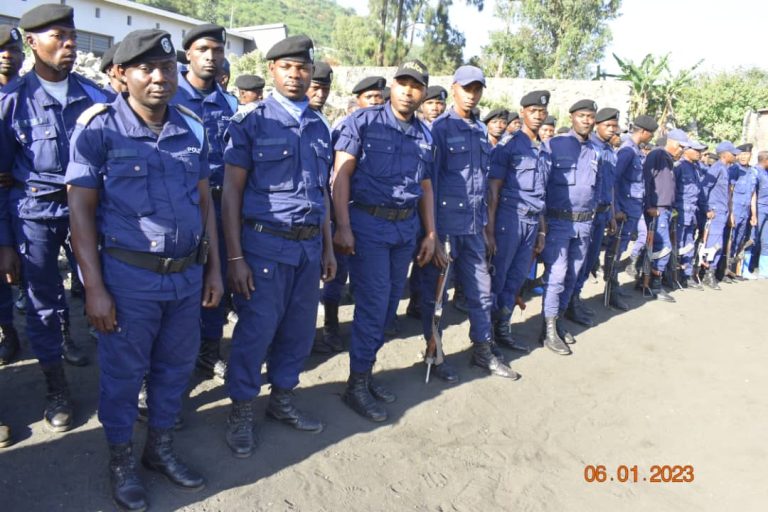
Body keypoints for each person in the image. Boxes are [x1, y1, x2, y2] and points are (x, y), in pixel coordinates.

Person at [66, 28, 222, 510]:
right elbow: (80, 213)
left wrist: (214, 269)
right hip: (129, 279)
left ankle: (159, 450)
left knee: (174, 369)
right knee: (123, 374)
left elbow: (204, 203)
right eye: (146, 69)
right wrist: (94, 288)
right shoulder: (98, 128)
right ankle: (121, 460)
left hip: (185, 277)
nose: (160, 78)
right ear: (120, 74)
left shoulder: (192, 126)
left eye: (168, 68)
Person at [0, 4, 115, 433]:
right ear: (31, 42)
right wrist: (5, 242)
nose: (68, 45)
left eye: (71, 37)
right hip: (35, 216)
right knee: (42, 305)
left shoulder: (99, 97)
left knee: (105, 295)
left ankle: (120, 382)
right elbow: (3, 180)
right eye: (57, 38)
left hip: (93, 213)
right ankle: (56, 388)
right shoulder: (10, 103)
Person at [222, 35, 336, 457]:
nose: (295, 75)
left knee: (299, 332)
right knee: (255, 332)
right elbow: (231, 194)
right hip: (264, 247)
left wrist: (326, 249)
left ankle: (283, 399)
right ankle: (241, 411)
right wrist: (235, 257)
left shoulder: (320, 126)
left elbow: (322, 194)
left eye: (302, 68)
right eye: (286, 67)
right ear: (272, 71)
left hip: (308, 250)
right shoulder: (250, 121)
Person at [332, 59, 436, 422]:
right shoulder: (362, 121)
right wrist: (342, 226)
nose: (409, 90)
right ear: (393, 86)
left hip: (404, 228)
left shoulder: (425, 135)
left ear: (423, 92)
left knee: (389, 307)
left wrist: (432, 233)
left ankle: (366, 373)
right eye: (403, 83)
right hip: (369, 225)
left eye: (416, 85)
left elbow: (425, 186)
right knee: (374, 305)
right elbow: (341, 176)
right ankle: (356, 384)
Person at [419, 66, 517, 382]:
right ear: (454, 89)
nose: (471, 94)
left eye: (477, 89)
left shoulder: (479, 130)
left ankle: (482, 350)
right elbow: (428, 184)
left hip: (473, 229)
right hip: (446, 227)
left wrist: (487, 230)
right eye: (466, 88)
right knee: (437, 298)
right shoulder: (440, 129)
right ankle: (434, 352)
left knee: (481, 293)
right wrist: (431, 233)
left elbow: (485, 185)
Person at [173, 23, 237, 382]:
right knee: (182, 286)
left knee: (219, 279)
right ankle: (176, 358)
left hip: (221, 205)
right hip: (181, 207)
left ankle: (208, 352)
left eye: (217, 51)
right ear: (189, 55)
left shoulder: (229, 102)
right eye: (203, 50)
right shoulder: (169, 97)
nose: (211, 57)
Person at [317, 76, 387, 355]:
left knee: (368, 280)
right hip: (344, 212)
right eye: (369, 97)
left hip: (371, 218)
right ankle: (331, 327)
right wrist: (339, 222)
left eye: (379, 98)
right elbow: (336, 178)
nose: (375, 103)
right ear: (357, 100)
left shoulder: (387, 130)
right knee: (337, 275)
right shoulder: (347, 127)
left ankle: (362, 330)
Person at [487, 90, 550, 352]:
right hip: (510, 220)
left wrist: (542, 232)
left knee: (516, 280)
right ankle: (486, 336)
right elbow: (493, 189)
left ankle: (503, 328)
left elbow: (543, 195)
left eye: (542, 112)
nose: (537, 115)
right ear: (522, 112)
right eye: (532, 110)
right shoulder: (509, 146)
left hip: (533, 223)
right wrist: (489, 231)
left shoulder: (545, 149)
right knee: (498, 278)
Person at [539, 100, 602, 356]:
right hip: (558, 222)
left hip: (584, 223)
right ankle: (548, 329)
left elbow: (597, 187)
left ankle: (559, 319)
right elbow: (540, 185)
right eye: (582, 116)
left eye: (590, 116)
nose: (586, 120)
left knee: (572, 275)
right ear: (572, 117)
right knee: (556, 276)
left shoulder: (596, 150)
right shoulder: (554, 145)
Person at [568, 107, 621, 323]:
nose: (611, 130)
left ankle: (575, 299)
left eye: (614, 126)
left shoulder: (609, 151)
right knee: (578, 261)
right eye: (607, 126)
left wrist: (612, 213)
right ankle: (569, 302)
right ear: (596, 125)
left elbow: (610, 186)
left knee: (590, 261)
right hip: (586, 215)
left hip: (603, 213)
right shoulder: (589, 148)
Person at [641, 129, 692, 301]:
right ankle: (654, 285)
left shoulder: (669, 159)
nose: (681, 150)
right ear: (670, 142)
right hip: (657, 209)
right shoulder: (657, 154)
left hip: (666, 209)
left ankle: (646, 280)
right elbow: (647, 180)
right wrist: (649, 205)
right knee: (663, 249)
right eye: (680, 146)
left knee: (657, 248)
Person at [0, 25, 23, 368]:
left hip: (24, 201)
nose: (5, 55)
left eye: (11, 49)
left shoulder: (30, 94)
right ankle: (9, 331)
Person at [611, 115, 657, 278]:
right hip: (625, 208)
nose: (652, 137)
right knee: (618, 247)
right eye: (651, 134)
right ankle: (612, 283)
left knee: (625, 244)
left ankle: (614, 278)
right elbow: (614, 180)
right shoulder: (627, 150)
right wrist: (616, 208)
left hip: (634, 208)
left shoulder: (636, 151)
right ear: (643, 132)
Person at [700, 141, 741, 289]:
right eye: (733, 153)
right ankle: (707, 274)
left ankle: (713, 271)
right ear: (725, 154)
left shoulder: (725, 169)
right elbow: (705, 188)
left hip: (723, 212)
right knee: (713, 245)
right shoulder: (717, 168)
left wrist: (730, 213)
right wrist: (707, 209)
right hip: (715, 212)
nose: (736, 156)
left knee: (719, 244)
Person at [674, 141, 710, 289]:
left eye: (701, 151)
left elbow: (699, 192)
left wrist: (706, 209)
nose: (699, 153)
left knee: (689, 245)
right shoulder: (679, 167)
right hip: (680, 212)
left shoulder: (695, 168)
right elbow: (672, 190)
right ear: (686, 150)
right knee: (676, 245)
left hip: (692, 213)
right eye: (696, 150)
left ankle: (686, 275)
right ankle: (670, 276)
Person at [728, 143, 758, 279]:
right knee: (730, 238)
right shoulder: (734, 169)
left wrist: (754, 214)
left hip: (745, 211)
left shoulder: (753, 172)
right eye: (741, 154)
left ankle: (735, 269)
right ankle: (725, 269)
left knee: (740, 239)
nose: (743, 157)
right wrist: (731, 213)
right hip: (735, 209)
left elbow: (753, 195)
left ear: (751, 155)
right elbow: (730, 191)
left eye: (746, 154)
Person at [307, 61, 333, 131]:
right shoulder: (297, 117)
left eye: (326, 89)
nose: (321, 94)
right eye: (315, 88)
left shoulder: (320, 117)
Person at [754, 151, 768, 278]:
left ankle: (764, 270)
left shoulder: (766, 173)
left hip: (766, 209)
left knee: (766, 241)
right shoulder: (756, 172)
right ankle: (748, 268)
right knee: (753, 238)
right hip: (759, 209)